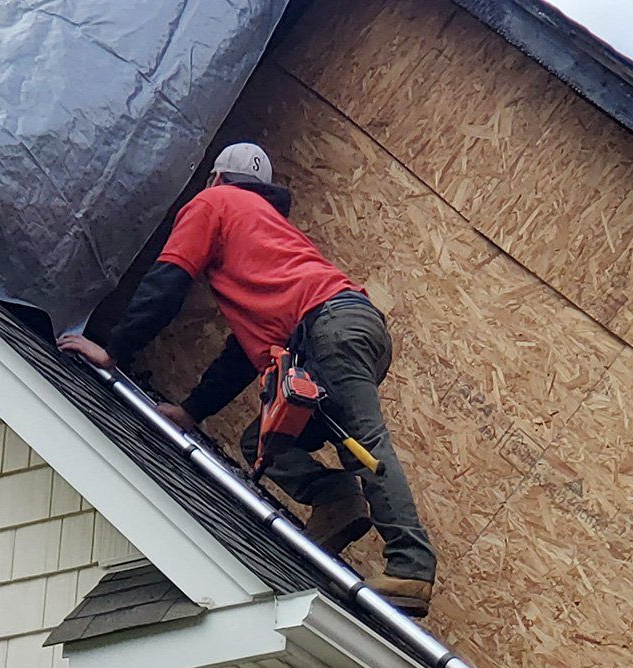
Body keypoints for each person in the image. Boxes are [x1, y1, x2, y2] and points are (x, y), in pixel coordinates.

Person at [59, 142, 437, 618]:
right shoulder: (265, 234)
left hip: (327, 329)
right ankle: (336, 498)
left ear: (216, 179)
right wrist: (193, 410)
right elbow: (244, 351)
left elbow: (166, 284)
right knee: (265, 441)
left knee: (362, 440)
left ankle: (410, 566)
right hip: (346, 328)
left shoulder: (212, 203)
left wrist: (113, 350)